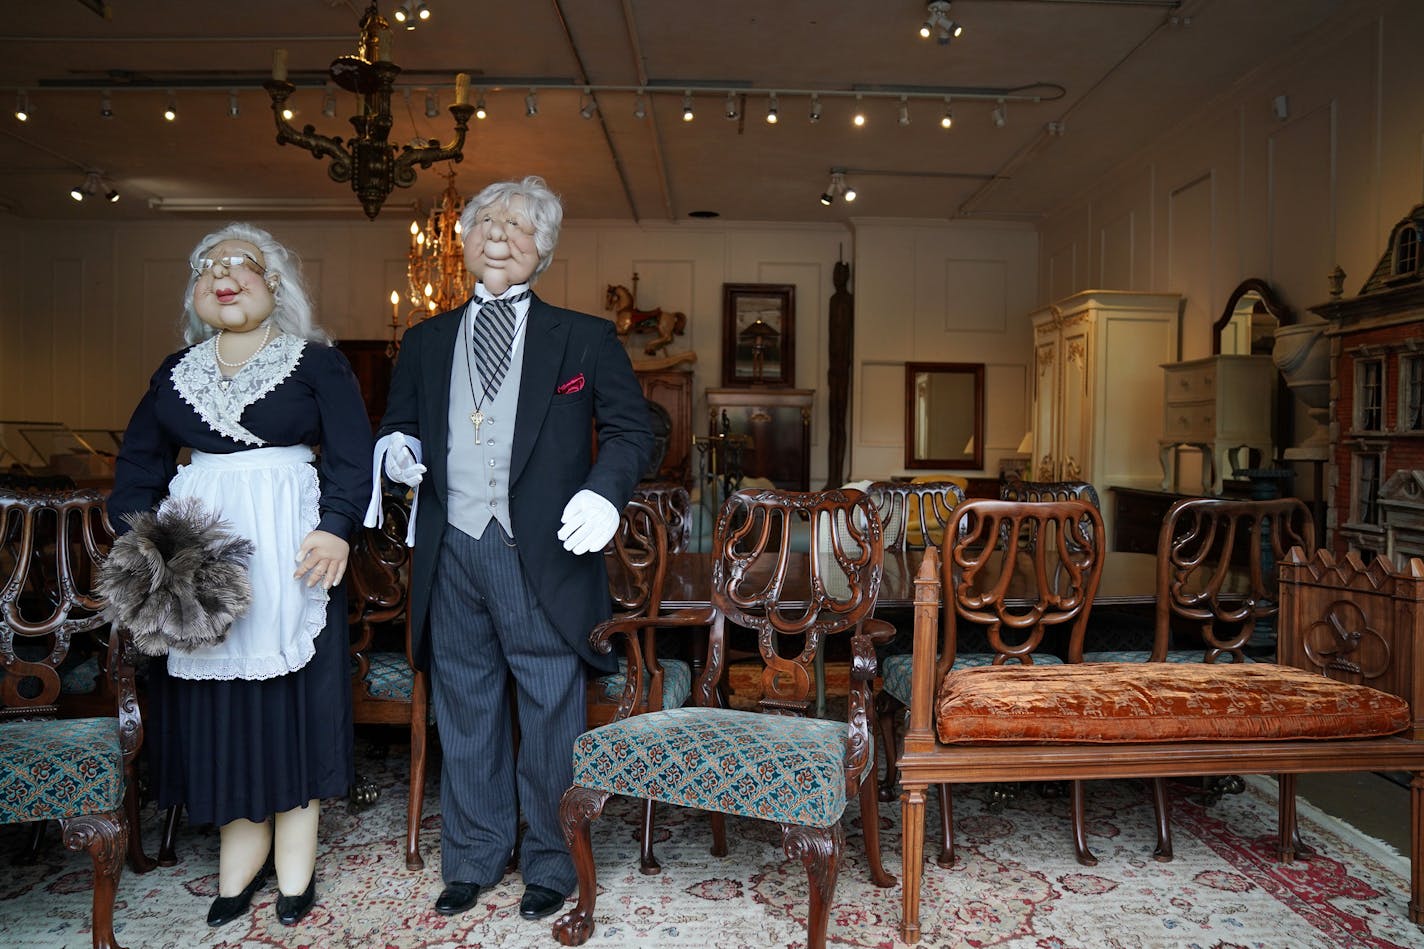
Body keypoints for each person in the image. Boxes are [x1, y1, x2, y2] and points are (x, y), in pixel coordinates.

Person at [368, 175, 652, 921]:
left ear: (545, 249)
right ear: (462, 242)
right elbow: (398, 423)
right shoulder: (425, 341)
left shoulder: (585, 337)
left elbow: (633, 429)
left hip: (543, 554)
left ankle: (554, 863)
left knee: (552, 708)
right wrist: (394, 450)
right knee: (464, 707)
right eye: (486, 221)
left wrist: (604, 492)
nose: (500, 232)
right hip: (451, 547)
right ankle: (473, 855)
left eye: (520, 225)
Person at [108, 223, 372, 928]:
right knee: (218, 701)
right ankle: (238, 856)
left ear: (274, 282)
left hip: (296, 547)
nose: (224, 275)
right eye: (207, 267)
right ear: (196, 293)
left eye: (242, 264)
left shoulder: (316, 364)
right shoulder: (174, 371)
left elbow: (353, 453)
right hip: (203, 556)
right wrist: (151, 547)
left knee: (293, 697)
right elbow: (137, 467)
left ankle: (295, 863)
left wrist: (337, 524)